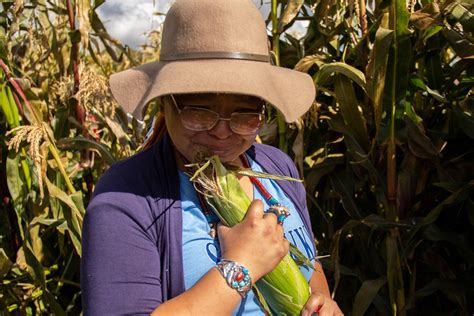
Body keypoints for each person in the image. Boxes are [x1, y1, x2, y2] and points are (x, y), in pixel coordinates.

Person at [81, 0, 343, 315]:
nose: (221, 132)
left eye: (244, 115)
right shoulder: (126, 196)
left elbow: (310, 267)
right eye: (199, 112)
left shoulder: (276, 167)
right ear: (165, 103)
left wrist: (322, 302)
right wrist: (241, 265)